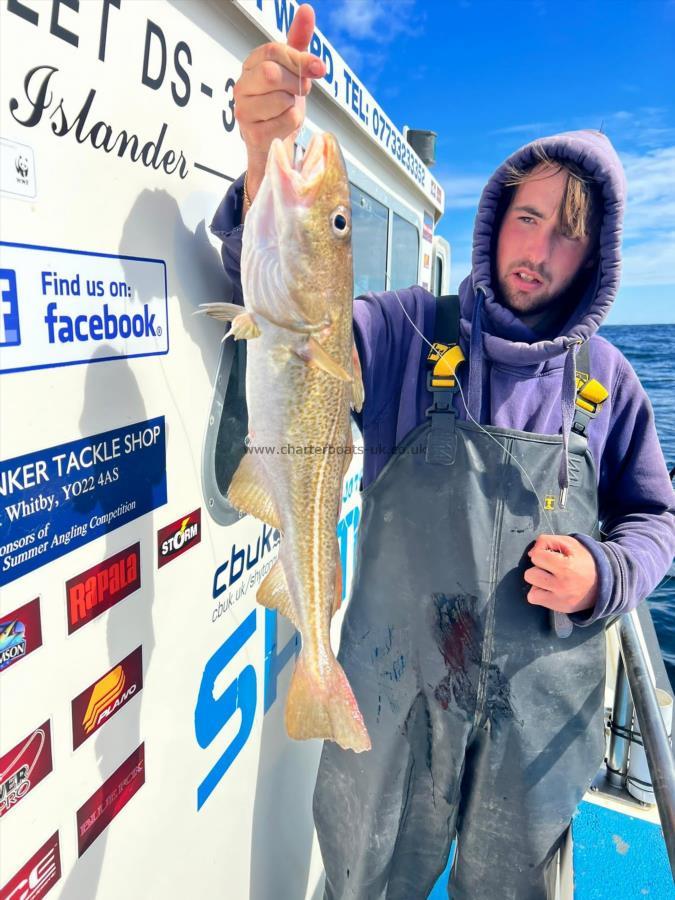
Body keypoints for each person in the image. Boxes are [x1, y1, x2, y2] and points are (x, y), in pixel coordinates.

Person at [210, 6, 675, 898]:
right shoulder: (406, 333)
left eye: (566, 234)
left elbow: (654, 518)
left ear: (596, 255)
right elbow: (289, 309)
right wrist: (263, 161)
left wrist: (603, 576)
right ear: (494, 215)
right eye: (527, 218)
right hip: (392, 701)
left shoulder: (610, 381)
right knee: (367, 871)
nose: (537, 251)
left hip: (534, 730)